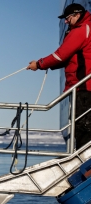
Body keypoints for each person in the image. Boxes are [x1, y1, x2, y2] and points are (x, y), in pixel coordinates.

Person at [27, 3, 91, 150]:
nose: (66, 22)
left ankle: (85, 164)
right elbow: (68, 58)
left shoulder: (81, 30)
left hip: (84, 89)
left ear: (77, 15)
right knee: (83, 127)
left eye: (68, 18)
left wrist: (39, 64)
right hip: (82, 88)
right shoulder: (86, 29)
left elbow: (61, 54)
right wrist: (49, 65)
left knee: (83, 128)